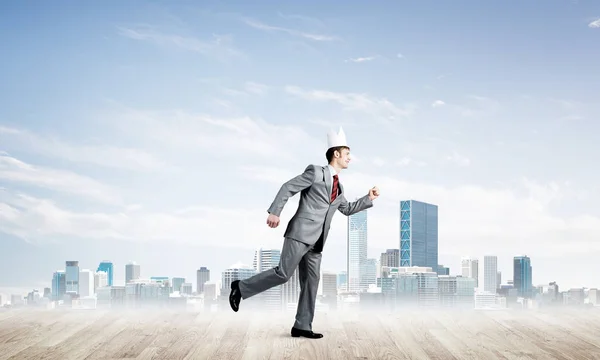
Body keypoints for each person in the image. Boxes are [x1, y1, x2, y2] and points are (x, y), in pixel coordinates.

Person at [228, 126, 379, 339]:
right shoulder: (316, 173)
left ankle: (302, 325)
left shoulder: (340, 188)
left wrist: (368, 198)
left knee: (311, 282)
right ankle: (241, 288)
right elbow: (288, 187)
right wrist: (275, 211)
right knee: (283, 273)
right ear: (336, 154)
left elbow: (346, 209)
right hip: (300, 233)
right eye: (347, 154)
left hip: (317, 243)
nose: (349, 158)